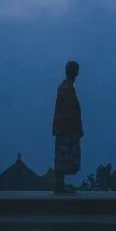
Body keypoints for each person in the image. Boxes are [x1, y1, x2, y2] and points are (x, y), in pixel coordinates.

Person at [52, 60, 84, 195]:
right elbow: (68, 112)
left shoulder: (66, 87)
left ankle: (60, 186)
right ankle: (59, 186)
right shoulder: (66, 88)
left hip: (64, 128)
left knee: (64, 157)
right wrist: (75, 129)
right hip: (65, 129)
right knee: (64, 157)